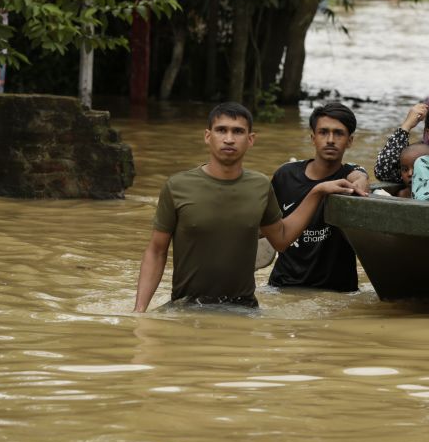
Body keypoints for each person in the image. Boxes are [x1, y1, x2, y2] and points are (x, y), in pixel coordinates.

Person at [133, 103, 363, 312]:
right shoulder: (177, 186)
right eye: (221, 130)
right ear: (207, 136)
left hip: (243, 310)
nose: (229, 139)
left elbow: (281, 239)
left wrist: (317, 191)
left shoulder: (261, 186)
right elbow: (156, 251)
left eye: (238, 131)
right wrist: (139, 311)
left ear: (250, 139)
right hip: (186, 306)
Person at [269, 103, 370, 292]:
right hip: (283, 285)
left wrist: (362, 179)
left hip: (338, 291)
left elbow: (359, 176)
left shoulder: (351, 177)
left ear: (350, 141)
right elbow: (265, 227)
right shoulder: (285, 175)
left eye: (338, 133)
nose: (330, 140)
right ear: (313, 138)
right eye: (323, 132)